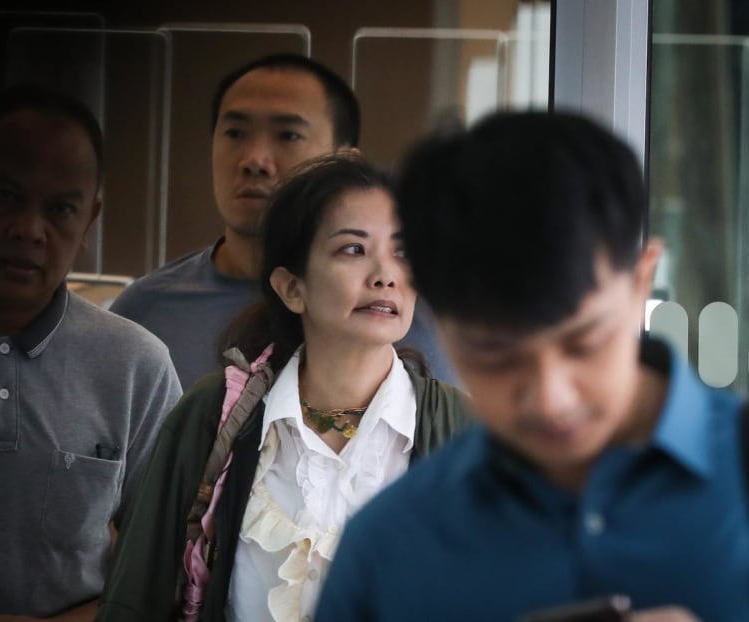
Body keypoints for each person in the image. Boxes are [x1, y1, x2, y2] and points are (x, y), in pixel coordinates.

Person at [316, 111, 747, 622]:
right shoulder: (387, 547)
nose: (550, 397)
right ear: (440, 323)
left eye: (584, 343)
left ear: (640, 281)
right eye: (495, 357)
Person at [95, 154, 473, 622]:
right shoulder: (211, 416)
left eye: (403, 252)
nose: (385, 274)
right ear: (292, 288)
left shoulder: (468, 434)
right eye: (353, 249)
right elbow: (136, 600)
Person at [0, 84, 183, 621]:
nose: (29, 230)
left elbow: (171, 570)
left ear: (90, 219)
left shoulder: (137, 366)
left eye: (61, 208)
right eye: (5, 196)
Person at [109, 52, 458, 388]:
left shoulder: (413, 312)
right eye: (235, 133)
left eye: (288, 135)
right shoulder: (145, 313)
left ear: (344, 163)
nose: (254, 160)